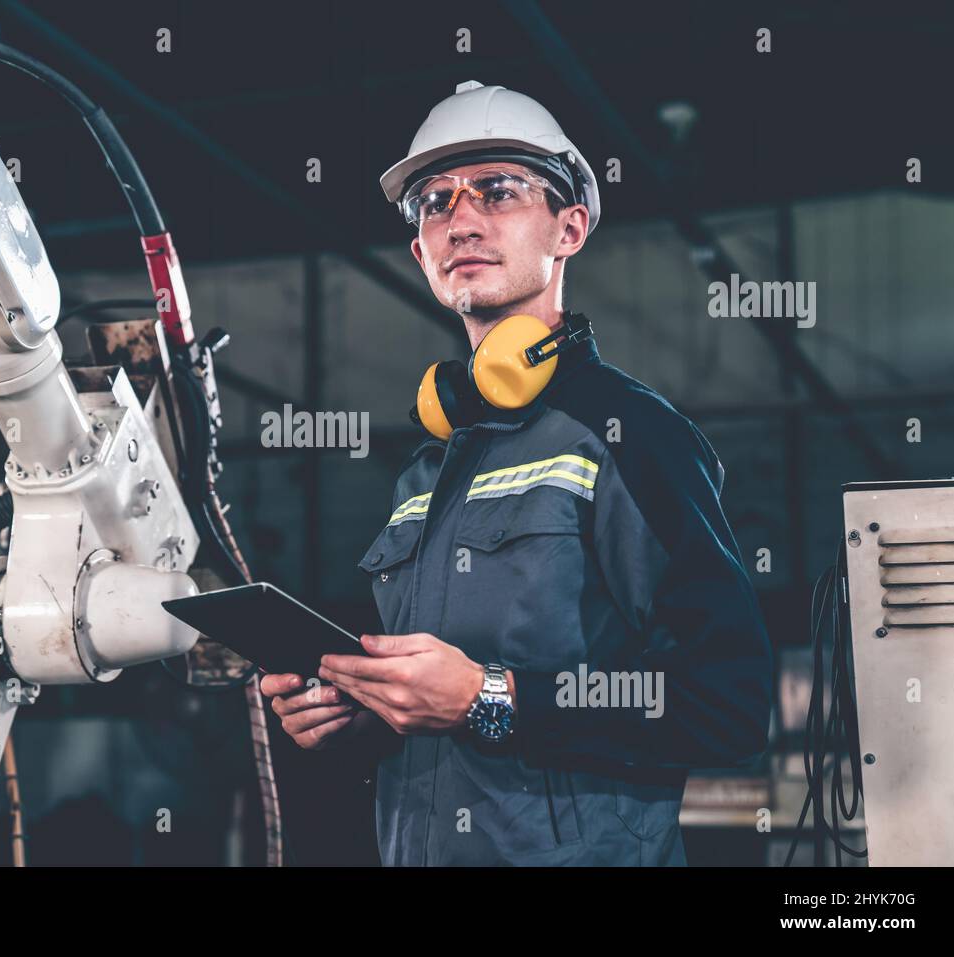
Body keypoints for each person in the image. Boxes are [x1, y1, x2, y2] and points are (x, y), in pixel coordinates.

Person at [260, 81, 773, 866]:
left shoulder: (629, 434)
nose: (460, 219)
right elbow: (436, 711)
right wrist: (365, 714)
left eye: (497, 191)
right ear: (420, 252)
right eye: (434, 203)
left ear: (570, 228)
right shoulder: (426, 470)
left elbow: (727, 705)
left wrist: (490, 698)